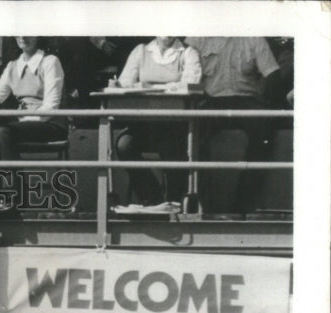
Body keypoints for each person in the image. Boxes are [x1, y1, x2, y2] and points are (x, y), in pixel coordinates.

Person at [183, 37, 282, 213]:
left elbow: (273, 74)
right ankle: (201, 203)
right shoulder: (197, 39)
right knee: (195, 136)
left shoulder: (254, 39)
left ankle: (242, 203)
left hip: (246, 99)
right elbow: (186, 76)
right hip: (211, 99)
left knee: (263, 131)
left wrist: (267, 100)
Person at [114, 37, 202, 204]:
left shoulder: (188, 53)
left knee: (170, 145)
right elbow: (124, 83)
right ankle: (151, 197)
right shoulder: (140, 51)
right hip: (144, 125)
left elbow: (191, 85)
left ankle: (172, 201)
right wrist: (123, 86)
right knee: (124, 145)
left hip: (175, 125)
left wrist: (150, 87)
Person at [0, 37, 66, 163]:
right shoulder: (13, 65)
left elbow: (51, 107)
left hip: (49, 124)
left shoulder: (50, 62)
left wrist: (22, 120)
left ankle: (13, 180)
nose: (23, 37)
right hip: (21, 121)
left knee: (2, 132)